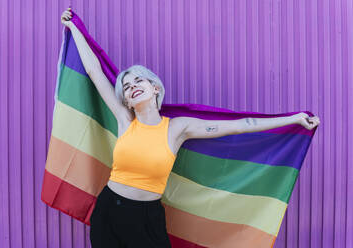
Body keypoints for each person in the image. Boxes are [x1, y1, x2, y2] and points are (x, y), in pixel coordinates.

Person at [60, 7, 320, 248]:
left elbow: (241, 125)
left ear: (155, 88)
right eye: (126, 87)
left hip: (147, 218)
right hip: (110, 211)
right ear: (126, 100)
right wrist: (75, 29)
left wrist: (293, 119)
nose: (132, 86)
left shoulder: (177, 129)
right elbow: (94, 72)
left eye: (139, 80)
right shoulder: (125, 120)